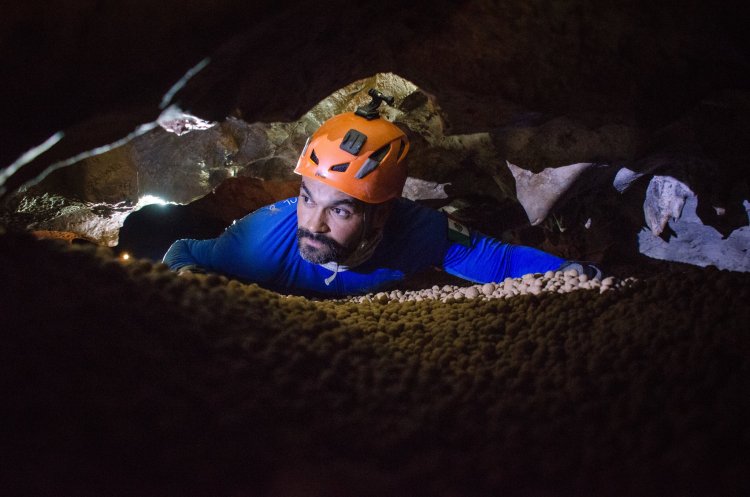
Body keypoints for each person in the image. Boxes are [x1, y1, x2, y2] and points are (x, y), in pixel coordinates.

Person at [163, 90, 600, 297]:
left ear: (382, 215)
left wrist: (580, 274)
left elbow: (502, 261)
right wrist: (186, 282)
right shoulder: (256, 245)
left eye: (341, 210)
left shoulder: (420, 231)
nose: (312, 224)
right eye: (307, 198)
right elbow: (183, 250)